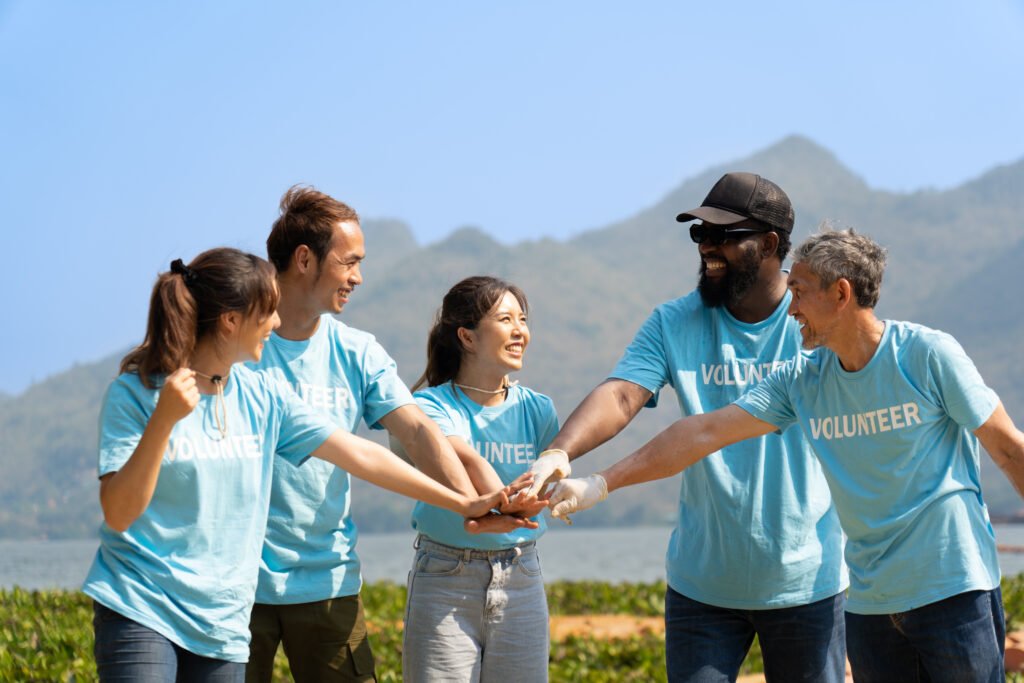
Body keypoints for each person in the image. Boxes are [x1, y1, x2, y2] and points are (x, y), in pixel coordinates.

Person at [549, 228, 1024, 683]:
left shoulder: (927, 355)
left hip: (953, 590)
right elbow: (701, 433)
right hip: (870, 605)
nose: (790, 308)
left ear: (841, 294)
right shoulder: (803, 378)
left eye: (799, 292)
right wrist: (600, 483)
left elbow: (1008, 447)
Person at [83, 248, 509, 682]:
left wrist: (462, 502)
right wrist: (164, 421)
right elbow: (119, 512)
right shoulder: (135, 394)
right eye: (266, 312)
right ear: (231, 320)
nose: (275, 323)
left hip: (220, 620)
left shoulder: (262, 395)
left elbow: (362, 455)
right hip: (141, 603)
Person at [525, 172, 847, 682]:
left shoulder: (816, 323)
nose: (708, 249)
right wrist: (560, 452)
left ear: (769, 244)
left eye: (723, 236)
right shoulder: (674, 321)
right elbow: (623, 393)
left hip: (806, 582)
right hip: (703, 588)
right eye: (700, 234)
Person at [246, 186, 498, 682]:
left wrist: (473, 504)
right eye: (349, 262)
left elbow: (419, 431)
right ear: (303, 260)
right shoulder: (233, 343)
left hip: (328, 582)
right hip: (233, 585)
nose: (358, 277)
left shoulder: (357, 351)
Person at [401, 275, 556, 682]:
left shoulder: (539, 410)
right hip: (446, 576)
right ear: (467, 338)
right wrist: (503, 501)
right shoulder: (429, 404)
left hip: (522, 576)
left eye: (522, 319)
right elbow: (461, 458)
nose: (520, 330)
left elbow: (548, 484)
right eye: (505, 319)